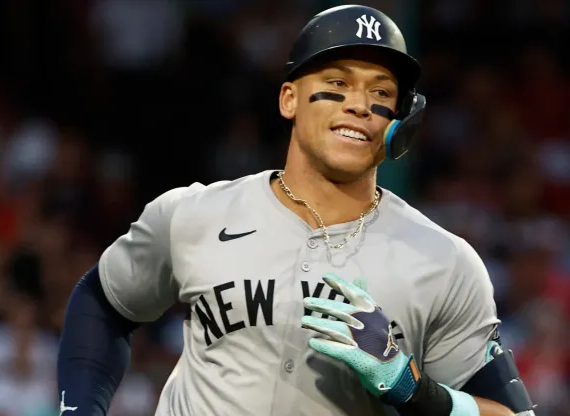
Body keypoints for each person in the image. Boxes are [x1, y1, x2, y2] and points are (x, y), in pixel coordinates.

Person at [57, 5, 536, 416]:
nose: (360, 105)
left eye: (382, 93)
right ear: (290, 99)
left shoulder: (443, 261)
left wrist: (415, 390)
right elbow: (104, 302)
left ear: (400, 121)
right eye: (337, 83)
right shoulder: (193, 214)